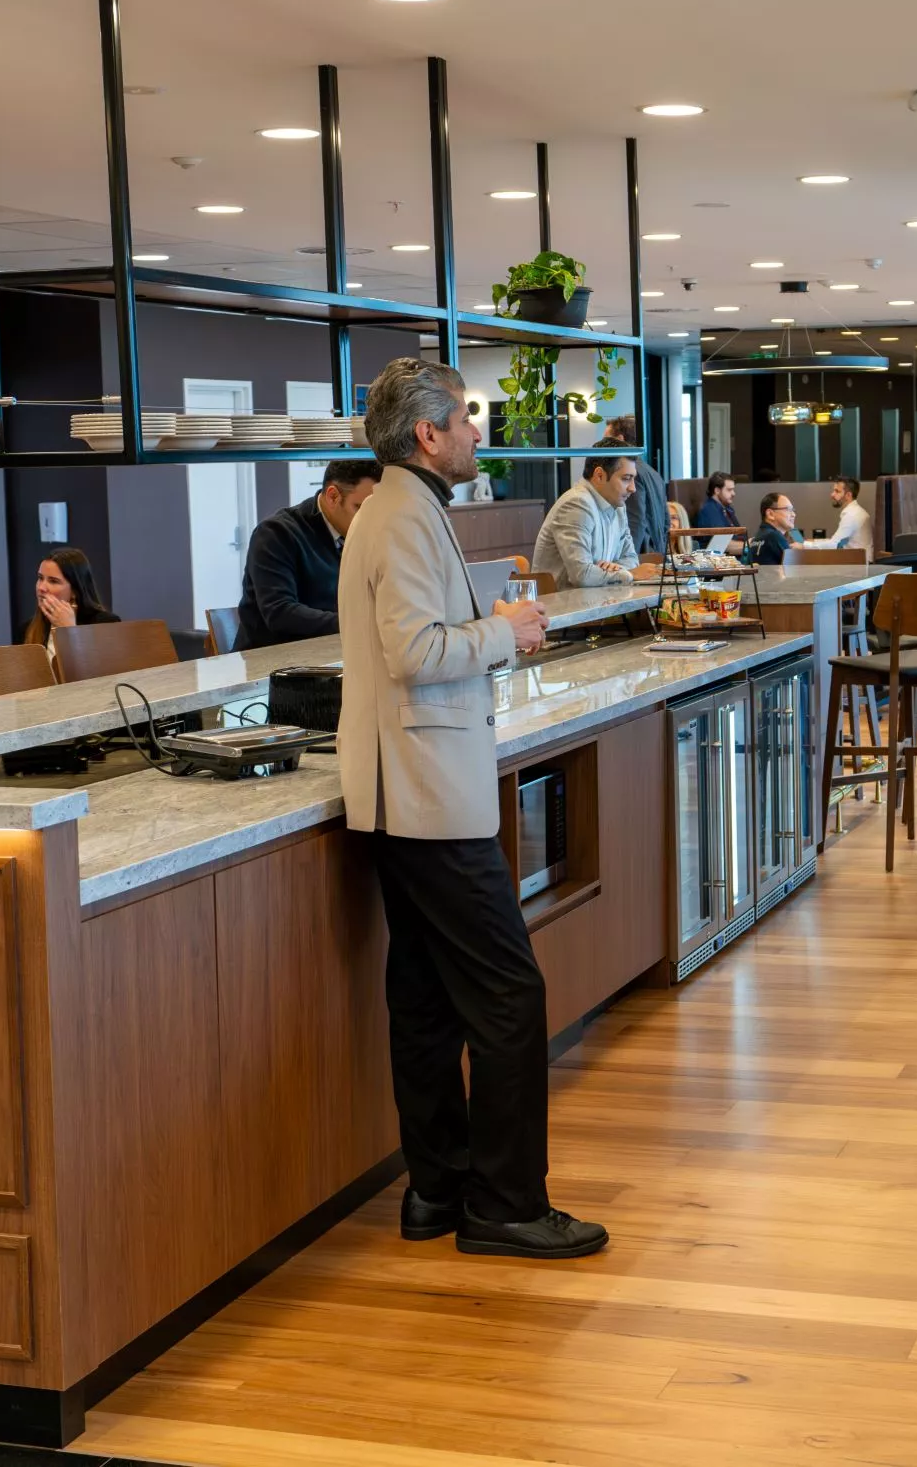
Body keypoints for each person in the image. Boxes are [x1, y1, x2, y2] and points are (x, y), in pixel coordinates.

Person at [338, 354, 606, 1260]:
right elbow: (416, 649)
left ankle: (437, 1187)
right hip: (426, 793)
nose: (475, 432)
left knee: (423, 998)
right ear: (428, 433)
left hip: (401, 789)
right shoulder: (402, 516)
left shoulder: (394, 510)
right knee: (508, 995)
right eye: (466, 418)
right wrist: (508, 630)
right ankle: (503, 1203)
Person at [234, 461, 382, 649]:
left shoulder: (363, 534)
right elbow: (280, 613)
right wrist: (358, 624)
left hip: (333, 654)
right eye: (360, 509)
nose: (370, 520)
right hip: (271, 666)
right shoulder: (276, 534)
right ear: (333, 496)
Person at [532, 457, 663, 590]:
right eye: (626, 478)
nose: (633, 488)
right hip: (559, 607)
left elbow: (631, 559)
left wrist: (614, 570)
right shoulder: (576, 504)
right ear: (599, 476)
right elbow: (582, 575)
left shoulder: (619, 507)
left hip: (597, 602)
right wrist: (628, 574)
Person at [20, 547, 120, 651]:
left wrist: (70, 631)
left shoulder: (106, 623)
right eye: (40, 578)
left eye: (53, 581)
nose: (41, 588)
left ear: (74, 591)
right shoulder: (26, 628)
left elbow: (100, 666)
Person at [598, 416, 668, 557]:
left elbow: (635, 521)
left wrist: (628, 562)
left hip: (641, 558)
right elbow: (666, 522)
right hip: (656, 554)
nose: (601, 445)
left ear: (620, 439)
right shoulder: (652, 472)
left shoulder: (629, 475)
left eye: (606, 440)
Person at [828, 476, 874, 556]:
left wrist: (805, 545)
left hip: (859, 565)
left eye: (837, 491)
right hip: (859, 562)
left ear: (848, 495)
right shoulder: (854, 511)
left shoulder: (851, 515)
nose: (832, 495)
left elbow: (834, 544)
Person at [751, 492, 798, 563]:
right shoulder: (773, 536)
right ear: (770, 514)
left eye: (793, 510)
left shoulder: (760, 535)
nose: (793, 514)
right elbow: (795, 567)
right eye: (788, 509)